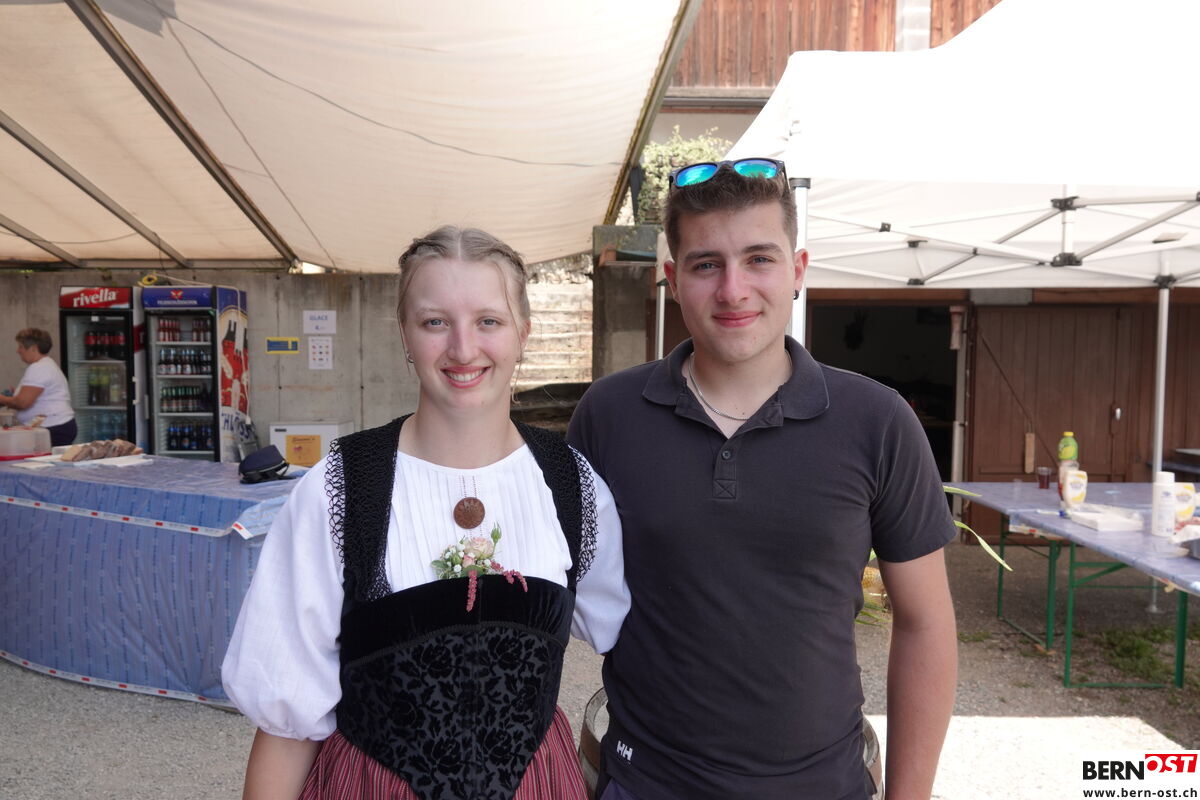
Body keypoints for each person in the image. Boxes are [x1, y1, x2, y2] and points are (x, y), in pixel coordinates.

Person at [567, 158, 958, 800]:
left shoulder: (878, 421)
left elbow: (925, 624)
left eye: (758, 259)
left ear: (797, 271)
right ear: (673, 279)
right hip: (645, 783)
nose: (734, 290)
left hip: (825, 786)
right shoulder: (608, 416)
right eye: (706, 264)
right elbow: (547, 596)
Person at [222, 226, 629, 800]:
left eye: (489, 320)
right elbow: (287, 722)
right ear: (405, 335)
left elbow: (626, 639)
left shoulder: (572, 486)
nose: (463, 349)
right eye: (435, 322)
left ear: (523, 333)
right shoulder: (340, 490)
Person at [0, 328, 76, 446]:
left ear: (33, 348)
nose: (18, 351)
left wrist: (3, 399)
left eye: (21, 347)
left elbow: (22, 403)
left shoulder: (39, 368)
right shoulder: (46, 364)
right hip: (55, 426)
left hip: (52, 427)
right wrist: (14, 396)